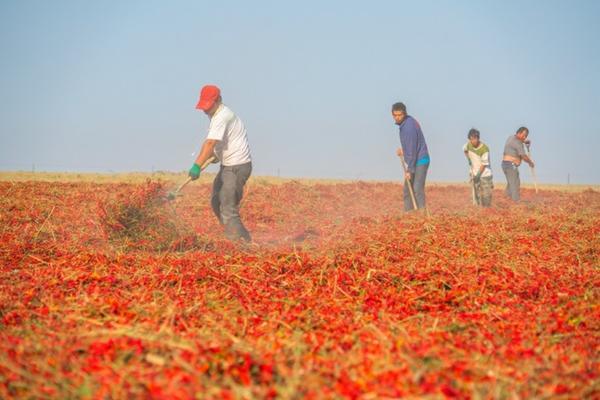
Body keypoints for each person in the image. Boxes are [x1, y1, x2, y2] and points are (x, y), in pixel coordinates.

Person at [189, 85, 252, 242]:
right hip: (228, 166)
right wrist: (217, 155)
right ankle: (242, 237)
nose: (205, 111)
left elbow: (210, 143)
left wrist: (197, 166)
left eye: (208, 106)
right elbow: (220, 143)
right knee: (216, 201)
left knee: (227, 205)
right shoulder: (219, 115)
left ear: (218, 101)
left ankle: (240, 244)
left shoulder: (221, 117)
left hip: (236, 167)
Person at [391, 102, 430, 211]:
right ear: (392, 115)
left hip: (420, 160)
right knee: (408, 189)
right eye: (395, 115)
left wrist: (409, 170)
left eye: (400, 115)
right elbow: (412, 144)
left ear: (404, 113)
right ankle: (409, 214)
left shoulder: (408, 127)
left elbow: (412, 149)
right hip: (416, 159)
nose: (397, 118)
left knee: (417, 189)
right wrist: (404, 150)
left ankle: (422, 214)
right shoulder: (407, 122)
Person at [502, 126, 534, 201]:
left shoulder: (511, 137)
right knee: (515, 184)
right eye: (524, 135)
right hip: (510, 165)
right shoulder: (518, 143)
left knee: (511, 184)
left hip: (505, 164)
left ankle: (506, 200)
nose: (525, 137)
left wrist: (525, 142)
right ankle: (516, 201)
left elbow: (518, 141)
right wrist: (530, 162)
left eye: (526, 136)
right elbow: (523, 156)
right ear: (519, 133)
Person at [463, 128, 493, 207]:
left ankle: (486, 211)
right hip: (474, 173)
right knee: (476, 196)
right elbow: (465, 150)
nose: (474, 141)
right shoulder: (468, 145)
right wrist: (469, 159)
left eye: (475, 138)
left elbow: (484, 164)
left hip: (485, 175)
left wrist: (478, 175)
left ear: (478, 138)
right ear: (469, 139)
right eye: (472, 139)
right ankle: (478, 211)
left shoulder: (484, 149)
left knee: (486, 196)